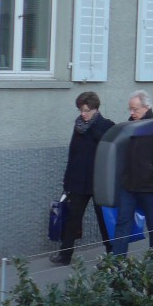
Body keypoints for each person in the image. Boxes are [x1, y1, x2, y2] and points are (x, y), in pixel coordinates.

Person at [51, 92, 115, 265]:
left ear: (96, 109)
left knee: (104, 220)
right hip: (78, 180)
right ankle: (65, 255)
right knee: (73, 217)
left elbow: (110, 154)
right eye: (80, 110)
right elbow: (73, 153)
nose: (83, 114)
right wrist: (67, 180)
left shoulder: (107, 125)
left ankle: (112, 254)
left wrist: (93, 129)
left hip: (98, 182)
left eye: (86, 110)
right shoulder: (78, 126)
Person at [112, 90, 153, 256]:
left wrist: (152, 172)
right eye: (130, 109)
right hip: (129, 184)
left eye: (135, 109)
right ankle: (116, 262)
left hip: (149, 185)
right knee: (122, 222)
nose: (132, 113)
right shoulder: (129, 125)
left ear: (146, 107)